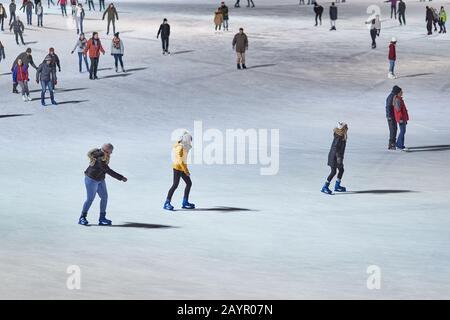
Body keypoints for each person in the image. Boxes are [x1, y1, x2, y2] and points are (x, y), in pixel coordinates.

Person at [79, 143, 128, 226]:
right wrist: (121, 178)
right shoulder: (99, 159)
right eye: (110, 152)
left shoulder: (103, 154)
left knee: (104, 197)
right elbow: (108, 170)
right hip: (91, 180)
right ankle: (82, 217)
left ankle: (102, 218)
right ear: (106, 151)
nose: (111, 153)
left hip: (100, 179)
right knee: (90, 199)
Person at [164, 132, 195, 211]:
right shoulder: (180, 147)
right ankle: (166, 203)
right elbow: (180, 161)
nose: (190, 142)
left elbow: (184, 161)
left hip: (182, 168)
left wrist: (185, 169)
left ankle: (185, 202)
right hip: (177, 168)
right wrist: (186, 171)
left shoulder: (185, 146)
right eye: (190, 140)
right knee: (175, 185)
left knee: (189, 183)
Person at [321, 122, 348, 195]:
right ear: (343, 129)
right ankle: (325, 187)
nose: (347, 128)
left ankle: (337, 186)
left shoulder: (341, 135)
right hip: (334, 157)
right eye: (346, 127)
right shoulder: (339, 137)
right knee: (333, 172)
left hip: (337, 157)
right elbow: (336, 148)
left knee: (341, 170)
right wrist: (338, 157)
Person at [385, 85, 401, 150]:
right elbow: (388, 107)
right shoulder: (391, 97)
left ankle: (392, 143)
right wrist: (389, 116)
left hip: (392, 116)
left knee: (394, 129)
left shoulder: (392, 96)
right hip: (391, 117)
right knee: (393, 130)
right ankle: (391, 144)